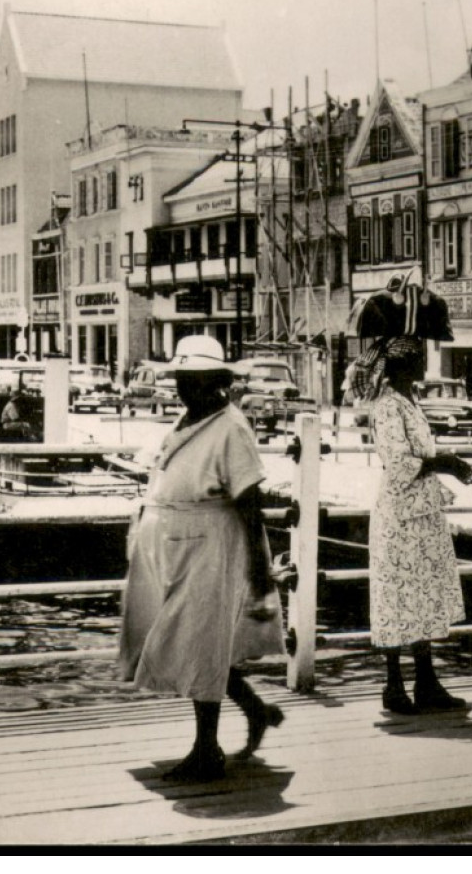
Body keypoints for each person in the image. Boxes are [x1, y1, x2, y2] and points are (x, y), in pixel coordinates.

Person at [119, 335, 286, 782]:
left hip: (212, 543)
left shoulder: (231, 426)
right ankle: (255, 710)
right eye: (180, 379)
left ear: (217, 381)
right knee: (190, 639)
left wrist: (259, 568)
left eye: (193, 380)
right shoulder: (189, 416)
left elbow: (250, 499)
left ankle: (206, 748)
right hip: (176, 544)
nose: (183, 387)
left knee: (200, 639)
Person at [350, 334, 472, 714]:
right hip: (399, 515)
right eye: (418, 360)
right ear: (401, 366)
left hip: (422, 512)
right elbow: (399, 461)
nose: (424, 366)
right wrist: (448, 464)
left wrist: (448, 464)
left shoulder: (410, 402)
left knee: (424, 593)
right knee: (396, 594)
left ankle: (426, 681)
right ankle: (393, 685)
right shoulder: (387, 406)